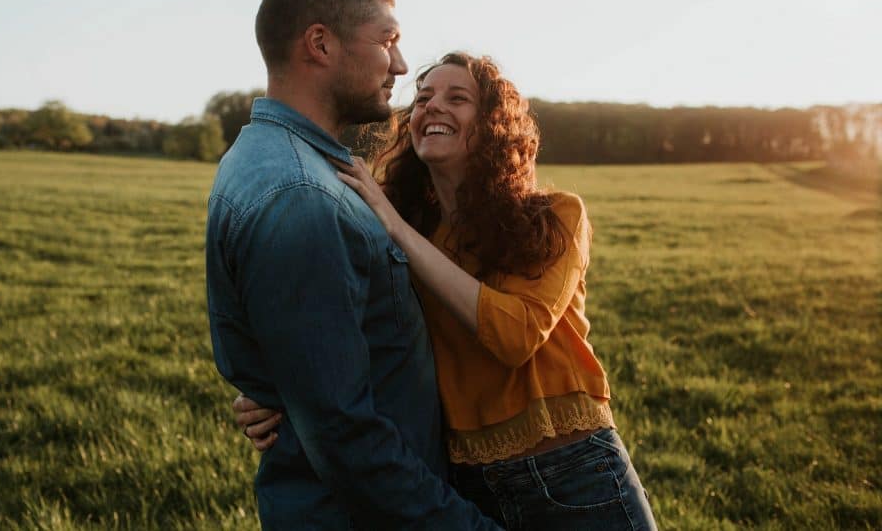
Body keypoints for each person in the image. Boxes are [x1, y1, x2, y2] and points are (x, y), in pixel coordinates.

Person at [236, 52, 658, 530]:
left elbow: (515, 336)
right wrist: (283, 393)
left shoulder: (556, 217)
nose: (432, 108)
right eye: (422, 99)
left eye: (457, 98)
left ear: (495, 125)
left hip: (574, 476)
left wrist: (395, 227)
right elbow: (358, 330)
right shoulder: (407, 229)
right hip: (464, 485)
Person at [205, 0, 500, 529]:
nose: (400, 64)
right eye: (386, 40)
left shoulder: (291, 166)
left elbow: (317, 371)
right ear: (320, 44)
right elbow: (345, 436)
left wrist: (283, 391)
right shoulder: (299, 194)